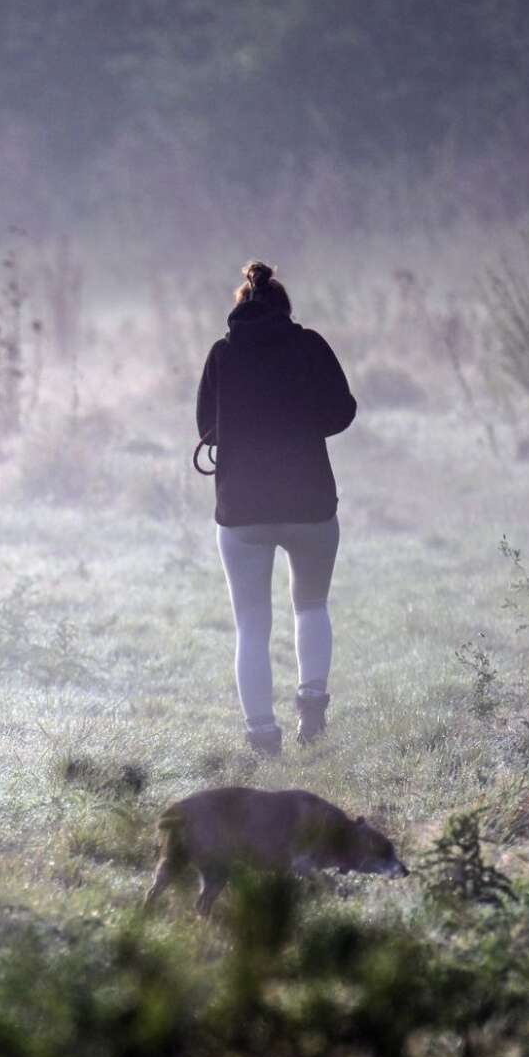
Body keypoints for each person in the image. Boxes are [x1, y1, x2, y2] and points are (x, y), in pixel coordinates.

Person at [195, 261, 357, 756]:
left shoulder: (223, 354)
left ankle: (262, 735)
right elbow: (342, 411)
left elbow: (206, 426)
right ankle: (312, 708)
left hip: (242, 507)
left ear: (240, 306)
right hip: (309, 501)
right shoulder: (309, 346)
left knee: (252, 625)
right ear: (285, 309)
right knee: (311, 607)